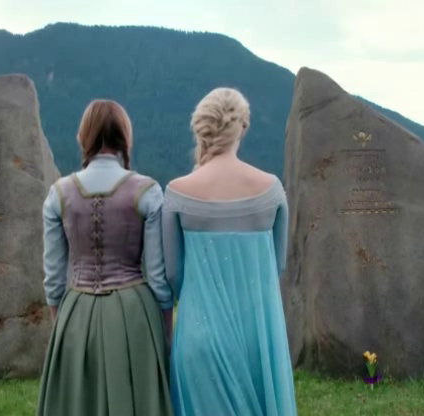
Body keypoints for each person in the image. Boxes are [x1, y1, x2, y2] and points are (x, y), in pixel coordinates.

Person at [163, 88, 297, 416]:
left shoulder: (177, 192)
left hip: (199, 333)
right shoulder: (271, 189)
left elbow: (174, 274)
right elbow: (278, 264)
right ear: (243, 127)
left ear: (201, 128)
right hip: (259, 337)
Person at [37, 99, 174, 416]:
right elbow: (158, 276)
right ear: (125, 136)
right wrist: (165, 332)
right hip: (135, 314)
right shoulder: (147, 191)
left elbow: (54, 279)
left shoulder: (59, 193)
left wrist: (61, 326)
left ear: (83, 136)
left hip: (76, 311)